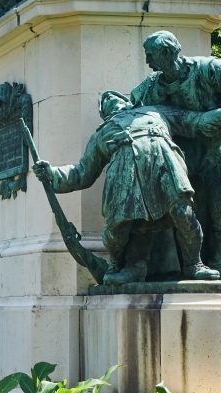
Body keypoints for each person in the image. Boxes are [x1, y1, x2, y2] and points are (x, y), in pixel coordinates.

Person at [32, 90, 221, 285]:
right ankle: (128, 267)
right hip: (125, 179)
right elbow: (82, 172)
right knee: (117, 232)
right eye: (104, 102)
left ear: (127, 101)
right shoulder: (102, 133)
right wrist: (52, 173)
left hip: (165, 166)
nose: (108, 99)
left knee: (184, 214)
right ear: (104, 113)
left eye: (113, 96)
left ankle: (193, 265)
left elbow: (194, 120)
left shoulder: (155, 112)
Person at [130, 31, 221, 269]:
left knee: (219, 211)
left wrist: (211, 118)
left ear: (167, 52)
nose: (148, 62)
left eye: (151, 56)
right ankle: (191, 266)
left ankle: (218, 263)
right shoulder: (152, 87)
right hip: (181, 161)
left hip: (215, 153)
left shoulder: (209, 69)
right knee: (186, 217)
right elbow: (130, 109)